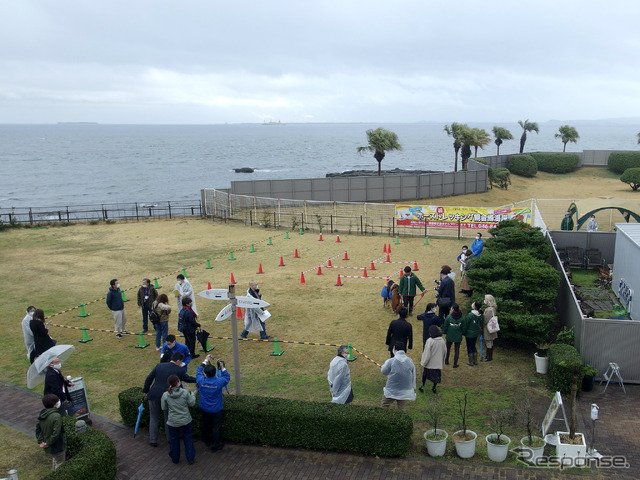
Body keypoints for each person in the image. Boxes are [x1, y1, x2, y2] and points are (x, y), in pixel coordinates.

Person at [143, 352, 196, 448]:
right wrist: (198, 379)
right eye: (181, 362)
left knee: (153, 418)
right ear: (178, 361)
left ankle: (153, 439)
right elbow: (187, 378)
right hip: (167, 397)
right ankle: (169, 438)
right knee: (168, 418)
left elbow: (149, 378)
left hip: (154, 395)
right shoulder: (179, 370)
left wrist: (146, 391)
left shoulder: (159, 366)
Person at [196, 355, 230, 452]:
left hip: (204, 407)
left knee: (206, 425)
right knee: (216, 428)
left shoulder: (201, 380)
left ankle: (206, 440)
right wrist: (222, 367)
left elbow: (198, 371)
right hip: (216, 409)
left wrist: (205, 361)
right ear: (215, 373)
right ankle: (215, 445)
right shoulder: (219, 382)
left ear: (205, 374)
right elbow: (227, 377)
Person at [161, 374, 196, 464]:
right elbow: (191, 403)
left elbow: (163, 407)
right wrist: (193, 395)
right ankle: (190, 458)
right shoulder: (184, 392)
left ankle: (175, 459)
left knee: (174, 441)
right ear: (177, 382)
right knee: (188, 439)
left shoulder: (166, 395)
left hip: (173, 422)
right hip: (186, 420)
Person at [380, 341, 416, 411]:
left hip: (391, 390)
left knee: (384, 406)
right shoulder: (410, 361)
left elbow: (384, 371)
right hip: (404, 390)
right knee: (402, 409)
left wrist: (383, 366)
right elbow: (412, 374)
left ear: (395, 350)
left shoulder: (391, 361)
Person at [36, 394, 66, 471]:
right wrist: (47, 443)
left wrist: (41, 442)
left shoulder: (43, 414)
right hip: (57, 445)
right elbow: (56, 433)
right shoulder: (56, 416)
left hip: (49, 445)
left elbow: (38, 429)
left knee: (55, 460)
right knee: (60, 464)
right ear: (54, 404)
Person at [419, 325, 446, 394]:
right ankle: (434, 387)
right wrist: (443, 361)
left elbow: (427, 353)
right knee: (436, 376)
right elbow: (445, 351)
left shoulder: (430, 341)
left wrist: (424, 362)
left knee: (425, 374)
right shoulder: (442, 340)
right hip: (437, 363)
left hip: (430, 363)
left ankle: (422, 386)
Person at [442, 303, 463, 368]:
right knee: (457, 349)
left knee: (447, 348)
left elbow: (445, 326)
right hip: (458, 336)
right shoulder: (462, 318)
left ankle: (446, 360)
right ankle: (455, 363)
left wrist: (444, 332)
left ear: (453, 309)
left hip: (450, 335)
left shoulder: (449, 317)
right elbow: (463, 327)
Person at [462, 301, 483, 366]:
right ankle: (475, 361)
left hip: (469, 333)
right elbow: (481, 324)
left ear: (475, 307)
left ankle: (471, 361)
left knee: (469, 347)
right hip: (475, 333)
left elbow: (465, 325)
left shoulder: (470, 315)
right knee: (473, 346)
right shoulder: (480, 315)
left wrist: (463, 332)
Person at [482, 294, 499, 362]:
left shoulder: (489, 310)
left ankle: (488, 357)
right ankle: (489, 356)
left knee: (488, 342)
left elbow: (485, 320)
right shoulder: (493, 308)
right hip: (492, 327)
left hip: (488, 329)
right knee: (490, 342)